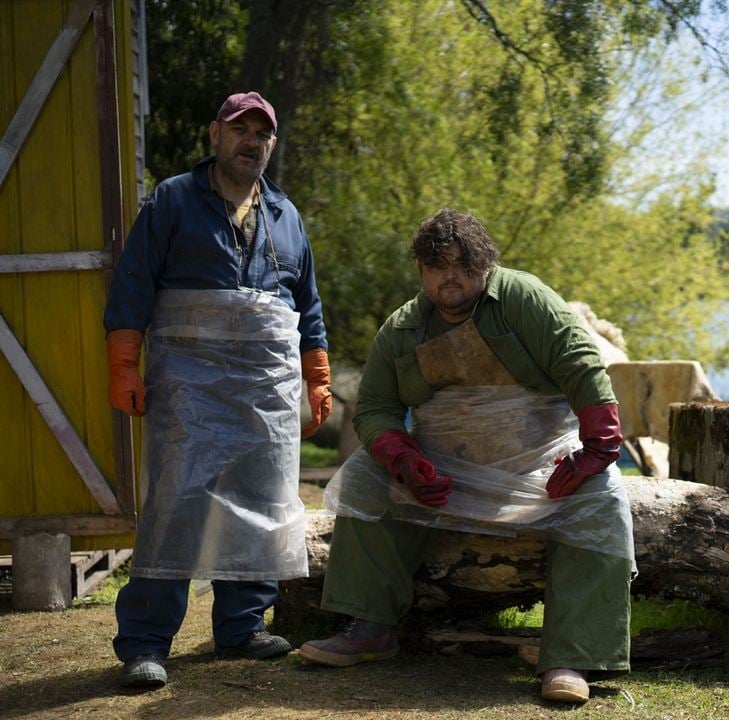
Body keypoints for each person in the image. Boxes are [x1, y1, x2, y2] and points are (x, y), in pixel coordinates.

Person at [298, 208, 634, 704]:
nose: (449, 275)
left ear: (485, 263)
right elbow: (374, 408)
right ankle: (369, 626)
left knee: (603, 501)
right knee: (366, 476)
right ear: (420, 271)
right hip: (445, 471)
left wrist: (599, 446)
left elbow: (582, 366)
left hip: (539, 467)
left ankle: (571, 656)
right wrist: (402, 458)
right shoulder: (403, 327)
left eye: (462, 262)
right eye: (436, 265)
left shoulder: (524, 297)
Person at [103, 91, 332, 689]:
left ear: (272, 144)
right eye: (240, 129)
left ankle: (242, 625)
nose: (251, 140)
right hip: (189, 385)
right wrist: (124, 363)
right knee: (176, 500)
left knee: (261, 496)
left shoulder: (286, 215)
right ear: (215, 134)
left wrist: (318, 377)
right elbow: (133, 284)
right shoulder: (173, 200)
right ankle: (146, 642)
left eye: (262, 133)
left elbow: (306, 304)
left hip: (267, 389)